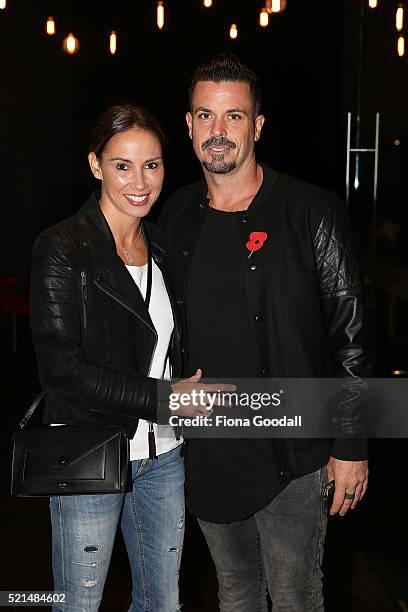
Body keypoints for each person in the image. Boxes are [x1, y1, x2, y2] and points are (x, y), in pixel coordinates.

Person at [159, 55, 370, 611]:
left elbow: (350, 335)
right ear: (188, 124)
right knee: (236, 590)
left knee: (297, 597)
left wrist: (350, 443)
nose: (218, 132)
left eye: (234, 117)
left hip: (293, 445)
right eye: (206, 116)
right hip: (209, 449)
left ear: (257, 126)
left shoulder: (311, 211)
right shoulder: (175, 214)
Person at [30, 103, 228, 612]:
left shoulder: (163, 247)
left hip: (164, 459)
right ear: (95, 165)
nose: (140, 181)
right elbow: (63, 372)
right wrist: (163, 399)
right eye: (122, 165)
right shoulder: (62, 248)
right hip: (91, 453)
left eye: (152, 164)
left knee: (162, 603)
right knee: (77, 603)